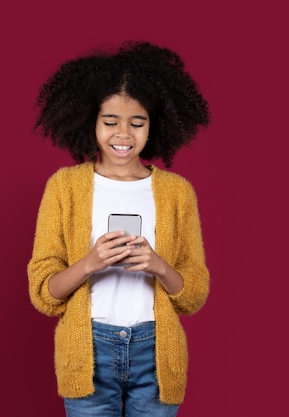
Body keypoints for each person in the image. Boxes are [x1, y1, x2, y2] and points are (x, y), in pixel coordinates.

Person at [27, 40, 211, 417]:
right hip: (88, 351)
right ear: (91, 121)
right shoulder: (64, 187)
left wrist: (159, 265)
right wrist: (91, 263)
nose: (123, 134)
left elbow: (193, 294)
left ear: (153, 126)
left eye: (137, 123)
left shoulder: (177, 193)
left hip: (156, 352)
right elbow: (43, 294)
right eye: (110, 121)